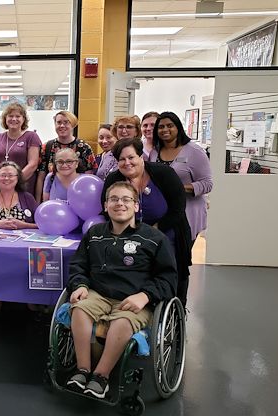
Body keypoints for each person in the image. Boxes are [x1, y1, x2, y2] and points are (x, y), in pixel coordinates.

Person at [65, 182, 177, 398]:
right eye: (114, 199)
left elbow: (168, 277)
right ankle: (82, 370)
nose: (120, 204)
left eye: (126, 199)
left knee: (123, 321)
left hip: (134, 298)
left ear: (136, 206)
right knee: (79, 308)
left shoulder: (154, 239)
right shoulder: (94, 234)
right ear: (106, 205)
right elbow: (78, 265)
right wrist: (79, 285)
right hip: (98, 293)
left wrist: (145, 296)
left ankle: (101, 377)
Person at [102, 138, 193, 306]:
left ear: (141, 156)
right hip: (131, 237)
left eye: (131, 157)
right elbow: (107, 209)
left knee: (171, 274)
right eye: (121, 159)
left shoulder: (164, 173)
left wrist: (152, 232)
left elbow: (178, 209)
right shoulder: (113, 179)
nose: (127, 163)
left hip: (168, 234)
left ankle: (176, 311)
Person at [148, 111, 213, 242]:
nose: (165, 129)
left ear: (178, 127)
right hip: (163, 213)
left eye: (170, 125)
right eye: (161, 127)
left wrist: (178, 189)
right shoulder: (155, 152)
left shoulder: (194, 151)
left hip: (188, 212)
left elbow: (207, 183)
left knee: (181, 255)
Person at [35, 111, 96, 202]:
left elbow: (89, 178)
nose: (62, 126)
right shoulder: (47, 147)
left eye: (66, 122)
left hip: (79, 199)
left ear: (73, 124)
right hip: (53, 199)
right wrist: (37, 202)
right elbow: (41, 178)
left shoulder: (84, 147)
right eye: (59, 122)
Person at [0, 102, 41, 195]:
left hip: (22, 189)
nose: (14, 119)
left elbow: (33, 164)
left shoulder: (31, 137)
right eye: (10, 116)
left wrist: (13, 182)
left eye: (18, 116)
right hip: (0, 190)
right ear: (5, 119)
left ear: (23, 119)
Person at [0, 161, 39, 231]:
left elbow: (41, 224)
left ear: (18, 178)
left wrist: (23, 225)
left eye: (10, 175)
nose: (6, 178)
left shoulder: (28, 197)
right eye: (3, 175)